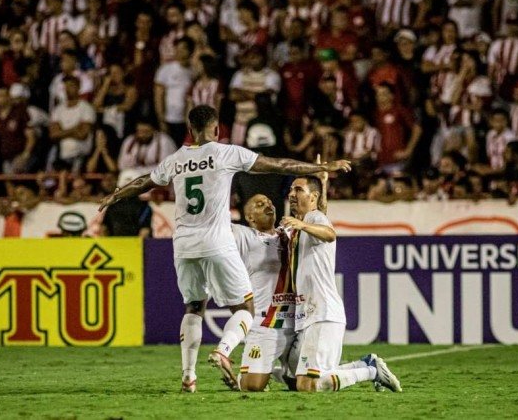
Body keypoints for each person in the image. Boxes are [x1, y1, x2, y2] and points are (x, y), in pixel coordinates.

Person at [98, 105, 351, 393]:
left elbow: (145, 182)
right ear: (217, 129)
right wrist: (319, 168)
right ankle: (223, 350)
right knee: (246, 308)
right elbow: (279, 165)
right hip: (215, 240)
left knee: (194, 308)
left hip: (182, 244)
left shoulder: (177, 159)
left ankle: (189, 376)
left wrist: (115, 195)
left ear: (190, 131)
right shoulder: (226, 153)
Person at [281, 176, 400, 392]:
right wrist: (323, 183)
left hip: (323, 314)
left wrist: (303, 223)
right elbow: (319, 211)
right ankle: (365, 364)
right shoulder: (304, 222)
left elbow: (330, 234)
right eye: (291, 189)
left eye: (298, 190)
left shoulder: (314, 219)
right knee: (292, 379)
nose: (291, 194)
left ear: (313, 196)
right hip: (306, 315)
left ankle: (371, 371)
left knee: (309, 386)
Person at [232, 194, 297, 392]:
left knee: (306, 384)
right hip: (266, 324)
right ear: (249, 217)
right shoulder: (244, 235)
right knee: (251, 387)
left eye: (269, 202)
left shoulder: (289, 233)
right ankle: (255, 373)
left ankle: (367, 368)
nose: (268, 205)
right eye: (260, 205)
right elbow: (214, 225)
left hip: (297, 323)